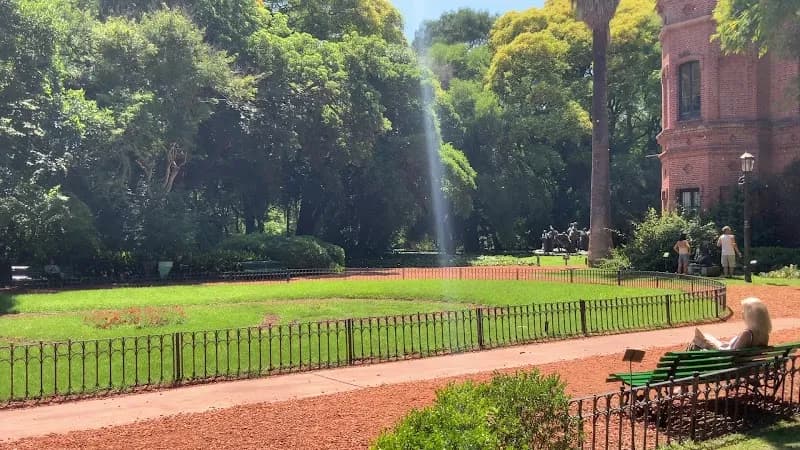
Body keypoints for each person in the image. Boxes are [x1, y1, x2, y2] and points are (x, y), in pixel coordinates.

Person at [688, 297, 771, 350]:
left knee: (697, 341)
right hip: (746, 363)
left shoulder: (747, 334)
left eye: (744, 311)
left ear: (751, 315)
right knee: (706, 336)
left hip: (725, 359)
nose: (742, 313)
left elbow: (732, 354)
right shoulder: (765, 335)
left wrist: (713, 345)